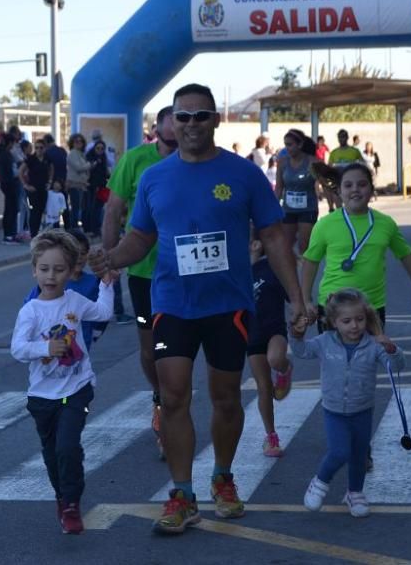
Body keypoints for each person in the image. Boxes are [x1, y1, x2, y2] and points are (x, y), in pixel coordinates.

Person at [89, 83, 305, 535]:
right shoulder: (154, 177)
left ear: (216, 120)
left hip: (228, 305)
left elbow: (273, 237)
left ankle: (223, 478)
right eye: (181, 117)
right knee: (173, 395)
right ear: (170, 122)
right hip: (173, 303)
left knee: (225, 397)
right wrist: (110, 258)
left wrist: (298, 298)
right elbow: (141, 238)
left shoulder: (243, 175)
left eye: (200, 116)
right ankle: (182, 493)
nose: (190, 125)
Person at [10, 230, 116, 535]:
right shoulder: (30, 311)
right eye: (44, 269)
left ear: (71, 272)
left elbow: (103, 313)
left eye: (58, 269)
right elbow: (18, 348)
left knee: (67, 446)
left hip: (76, 387)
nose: (51, 276)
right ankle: (61, 494)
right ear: (34, 270)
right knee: (52, 452)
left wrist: (107, 285)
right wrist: (45, 348)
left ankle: (71, 503)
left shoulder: (75, 301)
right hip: (42, 396)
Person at [102, 106, 178, 458]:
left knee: (181, 349)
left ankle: (177, 408)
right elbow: (114, 210)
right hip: (144, 272)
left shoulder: (202, 162)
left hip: (189, 276)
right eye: (173, 118)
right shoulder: (136, 160)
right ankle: (161, 399)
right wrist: (108, 258)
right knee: (150, 349)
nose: (179, 125)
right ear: (158, 125)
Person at [291, 289, 404, 518]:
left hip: (363, 408)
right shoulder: (324, 342)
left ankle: (355, 493)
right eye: (347, 321)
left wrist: (391, 348)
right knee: (340, 450)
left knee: (360, 454)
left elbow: (397, 365)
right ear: (333, 322)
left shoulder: (373, 344)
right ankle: (320, 482)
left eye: (360, 319)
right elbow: (301, 351)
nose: (355, 326)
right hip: (334, 410)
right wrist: (297, 334)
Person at [304, 162, 411, 332]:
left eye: (362, 184)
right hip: (333, 307)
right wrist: (305, 299)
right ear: (339, 191)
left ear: (371, 190)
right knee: (334, 359)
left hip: (371, 308)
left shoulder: (385, 223)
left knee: (369, 358)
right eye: (348, 185)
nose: (355, 189)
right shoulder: (324, 225)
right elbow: (310, 261)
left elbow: (406, 255)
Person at [24, 229, 109, 350]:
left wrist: (95, 332)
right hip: (51, 347)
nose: (79, 258)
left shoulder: (94, 282)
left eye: (83, 253)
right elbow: (30, 308)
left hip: (80, 347)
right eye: (75, 254)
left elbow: (102, 313)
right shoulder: (51, 283)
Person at [246, 234, 291, 457]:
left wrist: (301, 309)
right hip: (250, 336)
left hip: (274, 330)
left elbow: (292, 294)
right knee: (263, 388)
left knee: (275, 358)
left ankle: (284, 369)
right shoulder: (236, 272)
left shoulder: (272, 267)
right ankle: (270, 436)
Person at [275, 129, 319, 255]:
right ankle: (291, 273)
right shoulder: (282, 163)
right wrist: (273, 208)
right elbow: (279, 188)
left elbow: (326, 185)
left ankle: (305, 272)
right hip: (288, 210)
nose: (287, 148)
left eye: (290, 144)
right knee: (286, 246)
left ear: (299, 145)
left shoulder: (313, 162)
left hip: (308, 209)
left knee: (303, 245)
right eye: (285, 144)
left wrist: (334, 207)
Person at [19, 137, 53, 238]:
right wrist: (25, 185)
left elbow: (51, 169)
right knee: (34, 212)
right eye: (36, 147)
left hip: (44, 188)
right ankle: (33, 234)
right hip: (33, 189)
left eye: (41, 148)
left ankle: (39, 232)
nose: (38, 150)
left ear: (45, 148)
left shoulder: (47, 158)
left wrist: (50, 182)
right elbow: (21, 171)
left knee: (42, 210)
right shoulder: (31, 159)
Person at [0, 134, 19, 245]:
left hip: (6, 182)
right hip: (9, 183)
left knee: (10, 208)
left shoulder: (1, 153)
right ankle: (9, 235)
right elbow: (11, 170)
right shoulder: (6, 154)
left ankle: (9, 234)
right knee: (11, 209)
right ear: (10, 143)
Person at [84, 140, 109, 236]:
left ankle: (96, 229)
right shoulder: (90, 158)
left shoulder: (103, 159)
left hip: (101, 188)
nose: (100, 150)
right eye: (98, 148)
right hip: (91, 187)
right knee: (91, 208)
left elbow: (104, 173)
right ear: (94, 148)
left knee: (98, 209)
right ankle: (90, 228)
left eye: (102, 148)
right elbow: (88, 172)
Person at [65, 133, 90, 229]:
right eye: (76, 141)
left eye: (81, 141)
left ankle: (77, 229)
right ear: (72, 143)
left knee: (81, 209)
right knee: (75, 209)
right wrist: (89, 165)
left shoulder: (81, 154)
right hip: (74, 185)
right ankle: (73, 229)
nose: (79, 143)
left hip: (82, 185)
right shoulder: (72, 154)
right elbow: (78, 168)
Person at [43, 134, 69, 224]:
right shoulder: (62, 150)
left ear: (46, 142)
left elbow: (48, 168)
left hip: (53, 181)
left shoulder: (47, 152)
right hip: (63, 180)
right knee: (63, 204)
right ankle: (67, 225)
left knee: (53, 204)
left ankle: (54, 223)